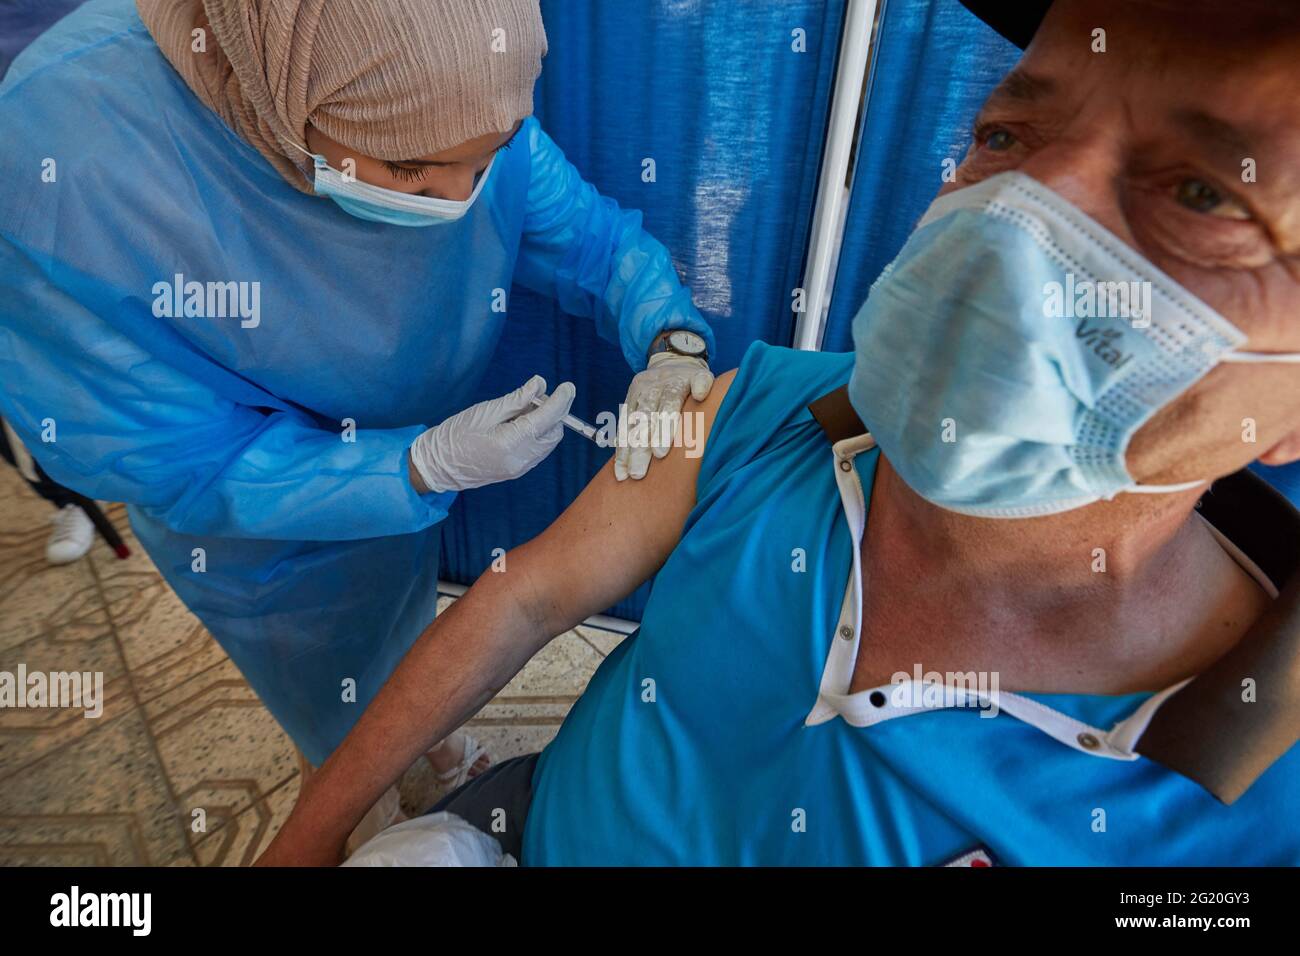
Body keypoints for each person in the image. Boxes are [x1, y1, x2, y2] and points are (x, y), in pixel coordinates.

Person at [256, 0, 1300, 866]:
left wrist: (662, 327)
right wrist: (306, 837)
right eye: (1005, 137)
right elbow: (523, 595)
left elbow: (584, 227)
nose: (1023, 214)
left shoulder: (1251, 802)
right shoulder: (767, 411)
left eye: (1204, 195)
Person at [0, 0, 716, 795]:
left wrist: (670, 339)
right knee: (325, 701)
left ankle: (428, 744)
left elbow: (591, 241)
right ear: (286, 98)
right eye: (409, 172)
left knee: (400, 642)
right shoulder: (64, 164)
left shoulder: (454, 79)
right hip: (261, 547)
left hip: (396, 501)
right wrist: (413, 468)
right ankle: (350, 771)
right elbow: (182, 463)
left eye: (489, 160)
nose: (456, 202)